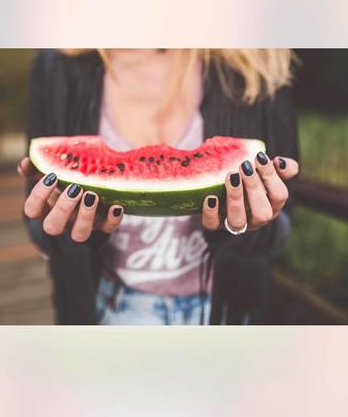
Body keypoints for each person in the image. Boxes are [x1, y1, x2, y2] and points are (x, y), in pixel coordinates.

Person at [20, 49, 299, 325]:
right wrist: (71, 231)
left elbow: (284, 221)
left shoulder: (256, 62)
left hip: (230, 309)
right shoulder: (58, 66)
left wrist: (243, 227)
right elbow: (37, 222)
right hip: (110, 306)